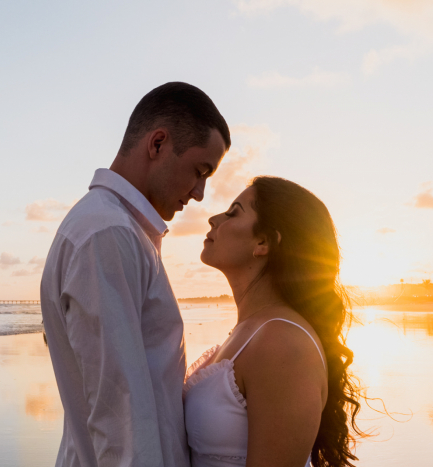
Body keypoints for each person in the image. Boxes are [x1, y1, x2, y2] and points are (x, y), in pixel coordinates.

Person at [40, 82, 230, 467]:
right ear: (157, 144)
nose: (200, 194)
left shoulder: (119, 230)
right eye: (200, 170)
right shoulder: (107, 234)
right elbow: (120, 415)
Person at [183, 176, 363, 467]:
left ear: (264, 241)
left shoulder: (283, 342)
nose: (213, 219)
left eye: (233, 212)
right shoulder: (250, 331)